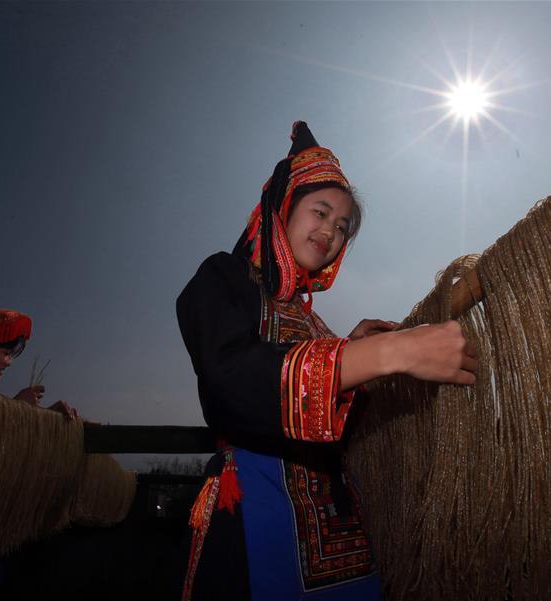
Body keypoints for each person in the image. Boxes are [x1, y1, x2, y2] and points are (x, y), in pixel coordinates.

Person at [176, 121, 479, 600]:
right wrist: (383, 353)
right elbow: (228, 381)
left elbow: (340, 429)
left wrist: (357, 356)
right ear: (282, 208)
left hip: (343, 535)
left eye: (342, 227)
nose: (331, 232)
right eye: (320, 211)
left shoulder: (314, 323)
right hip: (257, 516)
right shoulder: (224, 277)